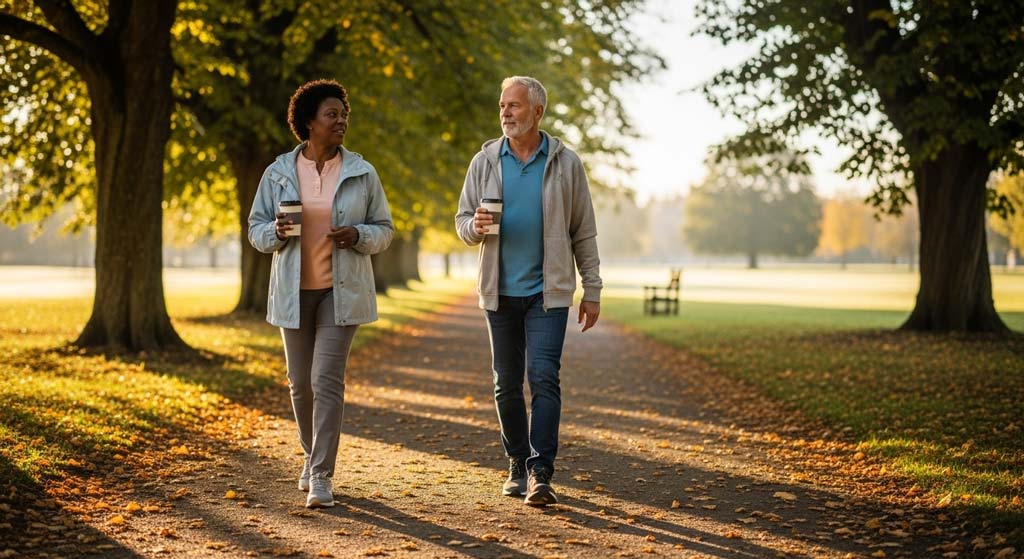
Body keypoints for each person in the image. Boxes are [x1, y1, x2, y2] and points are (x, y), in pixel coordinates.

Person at [455, 76, 602, 507]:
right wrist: (474, 228)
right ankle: (517, 461)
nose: (505, 113)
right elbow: (462, 221)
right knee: (505, 383)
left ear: (537, 111)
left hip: (548, 293)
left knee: (543, 378)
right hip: (499, 292)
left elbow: (584, 232)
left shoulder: (565, 163)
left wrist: (591, 288)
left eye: (514, 105)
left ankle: (541, 471)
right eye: (502, 105)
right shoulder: (484, 161)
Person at [248, 79, 394, 508]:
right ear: (308, 121)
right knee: (300, 386)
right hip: (293, 294)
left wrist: (358, 234)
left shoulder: (362, 172)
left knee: (325, 380)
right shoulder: (277, 173)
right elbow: (255, 229)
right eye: (332, 114)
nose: (342, 120)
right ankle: (313, 458)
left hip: (340, 292)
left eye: (344, 114)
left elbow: (384, 230)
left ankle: (321, 476)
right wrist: (273, 233)